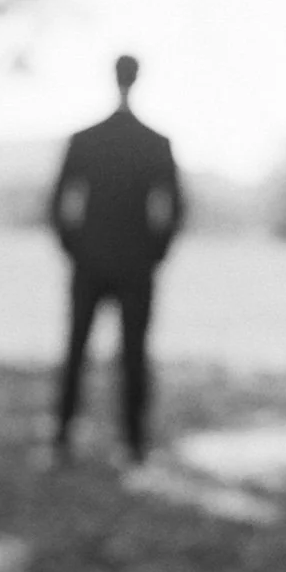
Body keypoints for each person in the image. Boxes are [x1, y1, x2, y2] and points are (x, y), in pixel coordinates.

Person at [49, 55, 184, 468]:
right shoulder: (154, 141)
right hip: (132, 265)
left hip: (92, 262)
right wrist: (154, 253)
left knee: (79, 350)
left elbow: (58, 204)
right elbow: (175, 208)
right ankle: (132, 444)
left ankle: (64, 439)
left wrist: (75, 248)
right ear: (137, 79)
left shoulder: (87, 138)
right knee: (131, 355)